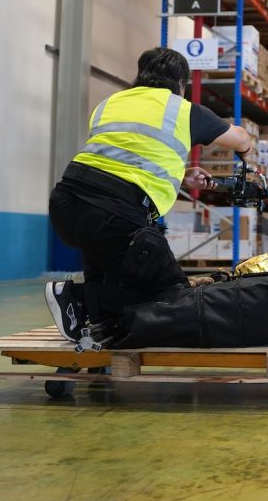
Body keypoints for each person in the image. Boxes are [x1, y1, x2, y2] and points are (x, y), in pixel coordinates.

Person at [44, 47, 255, 345]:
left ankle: (93, 321)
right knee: (172, 295)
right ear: (180, 83)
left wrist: (180, 174)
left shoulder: (109, 103)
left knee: (114, 278)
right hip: (114, 214)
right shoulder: (183, 110)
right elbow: (241, 137)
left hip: (67, 203)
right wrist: (247, 153)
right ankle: (75, 298)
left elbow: (122, 156)